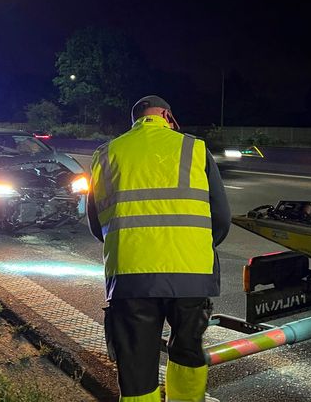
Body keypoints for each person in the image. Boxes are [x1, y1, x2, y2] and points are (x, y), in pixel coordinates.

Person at [87, 95, 231, 401]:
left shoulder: (106, 154)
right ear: (167, 115)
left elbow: (96, 224)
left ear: (136, 120)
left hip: (131, 277)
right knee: (188, 352)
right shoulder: (195, 148)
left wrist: (130, 243)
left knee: (136, 364)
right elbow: (221, 219)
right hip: (190, 274)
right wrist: (193, 246)